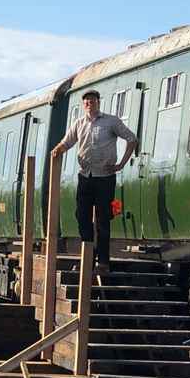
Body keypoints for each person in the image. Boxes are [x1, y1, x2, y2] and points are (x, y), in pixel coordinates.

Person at [51, 89, 137, 274]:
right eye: (86, 101)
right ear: (83, 105)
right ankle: (88, 257)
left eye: (92, 100)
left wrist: (121, 163)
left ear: (98, 102)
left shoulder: (111, 121)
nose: (89, 103)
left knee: (103, 220)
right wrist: (57, 150)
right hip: (85, 176)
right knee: (81, 216)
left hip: (105, 178)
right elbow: (67, 142)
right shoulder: (79, 123)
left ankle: (103, 262)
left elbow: (132, 139)